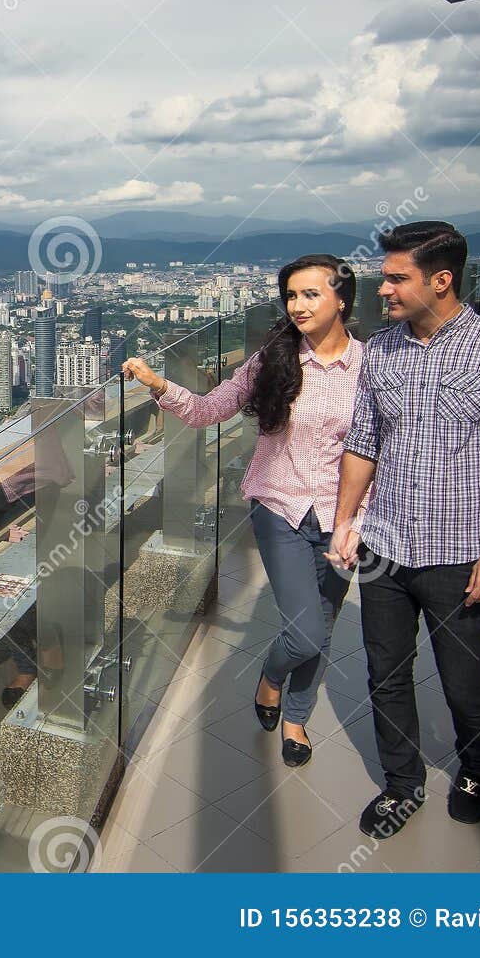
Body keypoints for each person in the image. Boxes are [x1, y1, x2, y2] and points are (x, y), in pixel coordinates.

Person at [328, 221, 480, 839]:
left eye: (397, 278)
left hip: (462, 554)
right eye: (384, 276)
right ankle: (402, 784)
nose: (384, 289)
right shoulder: (382, 350)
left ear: (442, 279)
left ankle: (479, 767)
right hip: (386, 546)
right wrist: (347, 521)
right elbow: (364, 442)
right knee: (386, 673)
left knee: (463, 679)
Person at [124, 254, 364, 768]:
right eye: (291, 295)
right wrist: (158, 384)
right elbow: (211, 410)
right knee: (305, 632)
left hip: (343, 519)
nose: (297, 306)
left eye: (311, 294)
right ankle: (272, 677)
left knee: (322, 624)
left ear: (341, 299)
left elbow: (380, 450)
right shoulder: (274, 360)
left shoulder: (370, 367)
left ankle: (296, 717)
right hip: (279, 508)